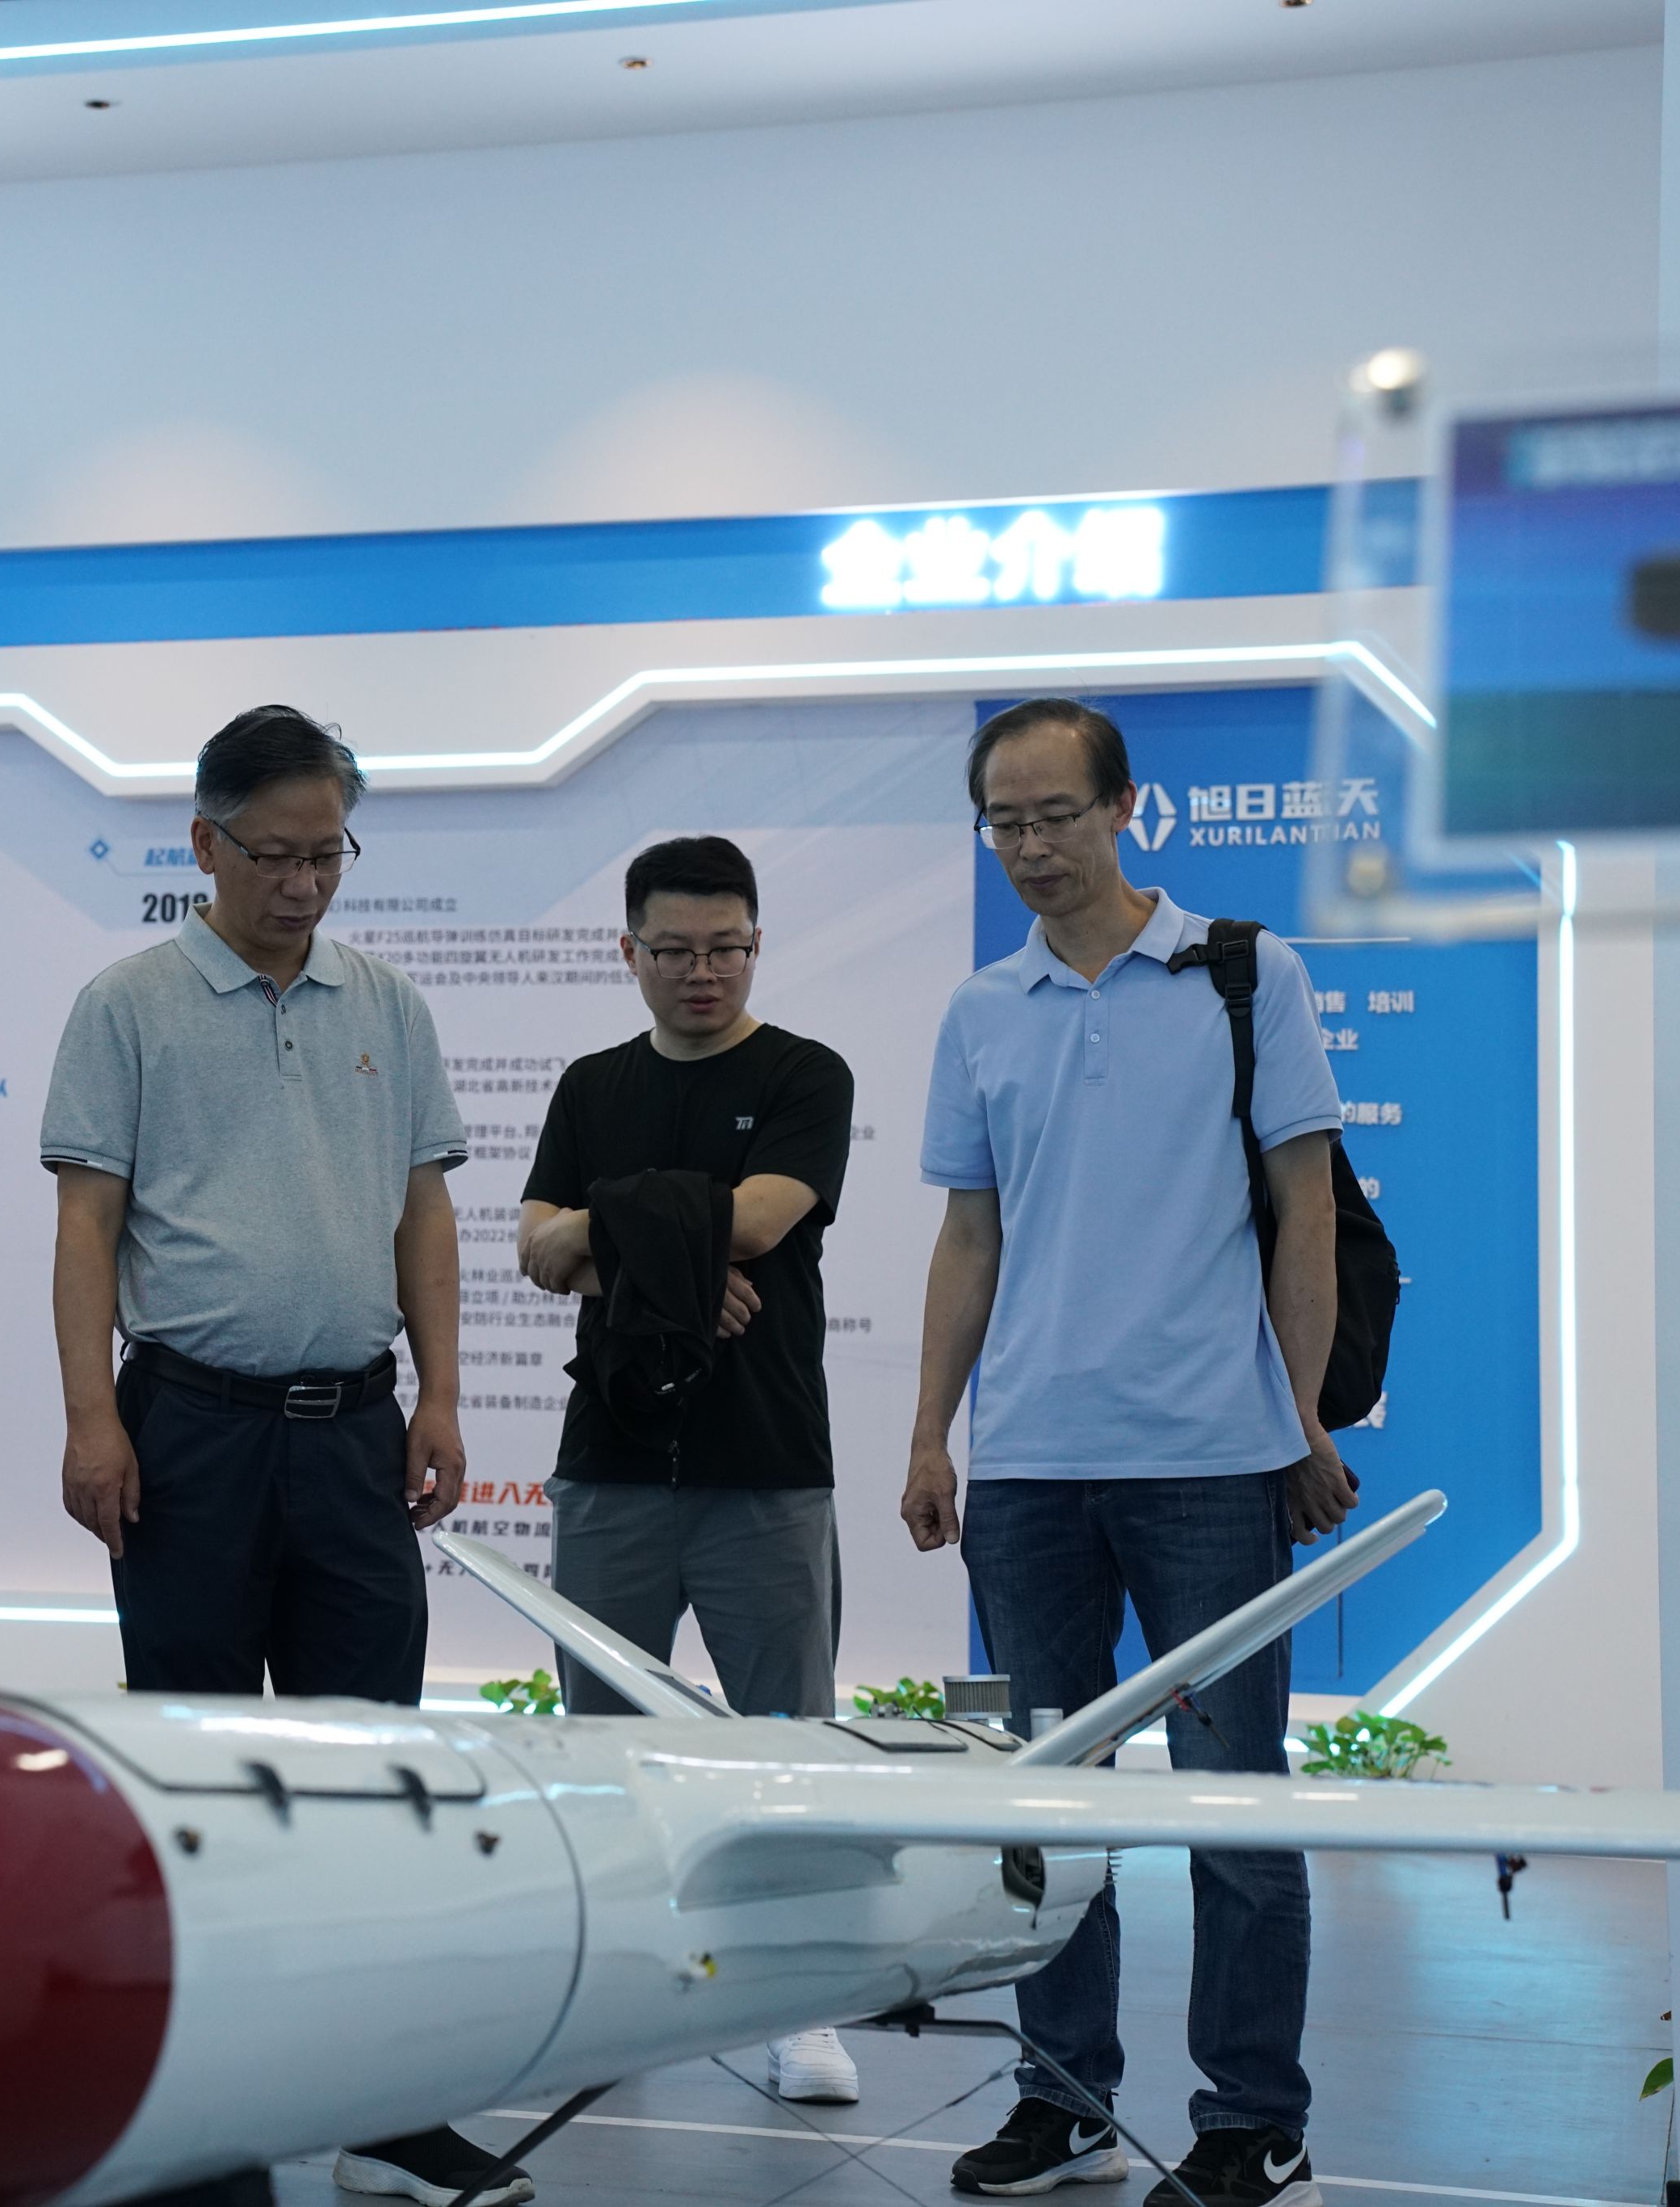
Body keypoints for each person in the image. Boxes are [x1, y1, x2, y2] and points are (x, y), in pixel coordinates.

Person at [40, 705, 517, 2207]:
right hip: (187, 1432)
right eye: (275, 855)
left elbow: (425, 1212)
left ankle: (386, 2111)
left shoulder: (389, 1003)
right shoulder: (127, 1005)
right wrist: (93, 1418)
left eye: (329, 855)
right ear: (204, 844)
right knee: (198, 1783)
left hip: (355, 1434)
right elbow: (86, 1229)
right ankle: (209, 2124)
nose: (305, 884)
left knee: (375, 1777)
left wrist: (442, 1395)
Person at [902, 699, 1358, 2207]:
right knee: (1052, 1804)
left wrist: (1299, 1420)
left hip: (1210, 1461)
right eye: (1004, 823)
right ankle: (1065, 2100)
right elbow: (969, 1238)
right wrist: (931, 1433)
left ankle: (1255, 2122)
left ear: (1123, 809)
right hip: (1030, 1465)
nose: (1031, 847)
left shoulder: (1244, 974)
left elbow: (1304, 1211)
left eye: (1055, 815)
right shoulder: (983, 1009)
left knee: (1234, 1803)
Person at [513, 834, 861, 2108]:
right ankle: (613, 1997)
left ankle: (801, 2009)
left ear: (756, 945)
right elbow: (532, 1247)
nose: (701, 971)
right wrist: (671, 1262)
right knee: (605, 1758)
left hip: (764, 1462)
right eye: (673, 950)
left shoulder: (805, 1073)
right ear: (630, 952)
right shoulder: (591, 1084)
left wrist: (617, 1241)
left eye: (725, 948)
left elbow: (766, 1219)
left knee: (789, 1745)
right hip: (610, 1463)